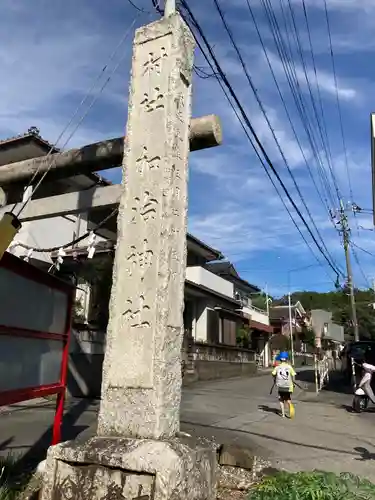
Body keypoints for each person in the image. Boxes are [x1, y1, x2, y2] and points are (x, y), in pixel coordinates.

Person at [272, 351, 296, 418]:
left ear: (280, 359)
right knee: (288, 399)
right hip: (288, 386)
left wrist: (275, 379)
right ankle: (290, 407)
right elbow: (293, 375)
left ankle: (283, 414)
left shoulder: (277, 367)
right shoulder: (289, 367)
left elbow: (273, 374)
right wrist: (293, 382)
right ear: (286, 359)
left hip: (280, 386)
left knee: (281, 399)